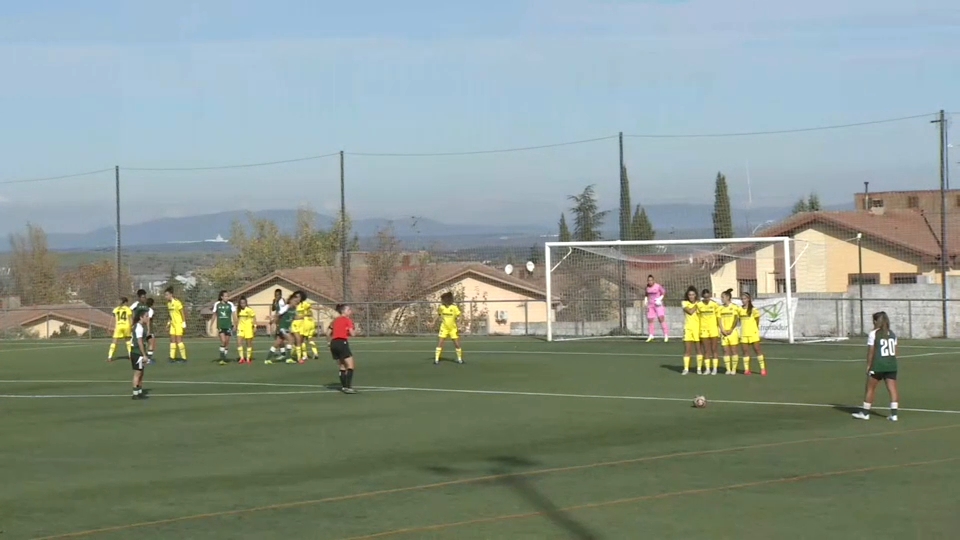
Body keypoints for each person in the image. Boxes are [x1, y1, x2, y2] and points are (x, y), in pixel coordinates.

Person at [852, 311, 899, 422]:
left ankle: (865, 413)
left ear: (875, 321)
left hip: (878, 365)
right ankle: (894, 414)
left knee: (870, 388)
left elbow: (871, 351)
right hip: (891, 365)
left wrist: (868, 366)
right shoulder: (892, 334)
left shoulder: (874, 333)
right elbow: (895, 352)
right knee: (892, 389)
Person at [328, 303, 357, 394]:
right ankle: (348, 387)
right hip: (342, 343)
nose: (350, 312)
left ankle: (344, 387)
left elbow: (328, 333)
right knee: (350, 366)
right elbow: (352, 334)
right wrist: (355, 330)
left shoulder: (334, 321)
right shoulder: (347, 320)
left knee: (342, 366)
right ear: (343, 311)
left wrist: (329, 342)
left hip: (334, 343)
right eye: (349, 310)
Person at [738, 293, 765, 376]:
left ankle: (763, 369)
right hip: (744, 333)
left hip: (753, 333)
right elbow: (739, 320)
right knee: (745, 351)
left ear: (748, 299)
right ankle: (747, 370)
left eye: (745, 299)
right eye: (742, 299)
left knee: (757, 350)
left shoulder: (754, 310)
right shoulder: (739, 309)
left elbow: (757, 320)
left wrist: (755, 329)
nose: (743, 300)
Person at [266, 293, 298, 364]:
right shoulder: (286, 307)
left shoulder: (294, 309)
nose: (296, 303)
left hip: (286, 328)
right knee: (291, 339)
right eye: (295, 301)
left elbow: (295, 317)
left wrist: (304, 316)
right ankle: (288, 358)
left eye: (297, 302)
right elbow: (278, 314)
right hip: (282, 327)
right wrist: (273, 321)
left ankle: (267, 359)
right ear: (290, 300)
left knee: (277, 343)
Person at [434, 291, 463, 365]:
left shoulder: (454, 307)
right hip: (444, 328)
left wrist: (459, 323)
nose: (442, 301)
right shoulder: (441, 307)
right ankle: (436, 359)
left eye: (443, 299)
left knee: (457, 344)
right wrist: (432, 322)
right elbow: (438, 315)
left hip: (453, 328)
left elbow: (460, 316)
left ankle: (459, 359)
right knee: (440, 343)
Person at [697, 289, 721, 375]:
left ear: (710, 296)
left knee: (714, 349)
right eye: (705, 297)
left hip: (713, 329)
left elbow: (718, 317)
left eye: (708, 297)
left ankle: (714, 369)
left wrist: (720, 328)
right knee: (706, 350)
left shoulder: (714, 305)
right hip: (703, 329)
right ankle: (707, 369)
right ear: (703, 297)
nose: (707, 299)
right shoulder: (699, 305)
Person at [718, 289, 741, 375]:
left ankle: (734, 369)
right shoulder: (720, 308)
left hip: (733, 332)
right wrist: (722, 329)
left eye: (723, 297)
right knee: (725, 351)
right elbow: (719, 319)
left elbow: (736, 319)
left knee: (734, 350)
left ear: (728, 297)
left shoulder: (735, 307)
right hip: (723, 332)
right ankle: (728, 369)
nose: (721, 299)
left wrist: (731, 329)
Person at [680, 286, 702, 375]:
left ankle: (699, 369)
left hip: (698, 328)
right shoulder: (684, 303)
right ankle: (686, 369)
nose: (691, 296)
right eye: (689, 295)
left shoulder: (700, 304)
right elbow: (690, 311)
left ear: (696, 295)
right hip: (688, 329)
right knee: (687, 350)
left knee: (699, 350)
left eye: (693, 295)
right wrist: (698, 304)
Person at [213, 290, 237, 365]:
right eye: (225, 296)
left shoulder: (230, 304)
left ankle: (224, 357)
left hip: (228, 325)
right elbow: (214, 314)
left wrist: (235, 325)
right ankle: (222, 358)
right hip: (221, 325)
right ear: (222, 297)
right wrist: (211, 325)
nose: (227, 297)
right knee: (223, 341)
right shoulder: (217, 304)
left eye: (227, 296)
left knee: (227, 342)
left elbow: (234, 315)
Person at [130, 309, 150, 400]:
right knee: (137, 373)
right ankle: (135, 394)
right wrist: (144, 355)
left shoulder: (140, 326)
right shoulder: (139, 327)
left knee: (141, 372)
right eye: (146, 316)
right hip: (137, 353)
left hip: (138, 353)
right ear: (141, 317)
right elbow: (139, 342)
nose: (148, 318)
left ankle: (139, 392)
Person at [165, 286, 188, 363]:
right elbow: (170, 315)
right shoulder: (168, 304)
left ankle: (184, 358)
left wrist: (184, 323)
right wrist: (168, 323)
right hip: (173, 324)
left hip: (178, 323)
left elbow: (182, 313)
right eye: (165, 295)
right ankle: (172, 357)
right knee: (172, 340)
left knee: (179, 341)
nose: (166, 297)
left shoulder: (177, 302)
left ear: (171, 294)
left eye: (167, 295)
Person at [644, 275, 669, 343]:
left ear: (653, 280)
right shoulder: (647, 287)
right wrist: (645, 300)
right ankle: (651, 335)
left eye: (651, 280)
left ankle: (666, 335)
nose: (650, 281)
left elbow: (663, 292)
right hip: (650, 305)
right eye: (649, 280)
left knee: (661, 318)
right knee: (650, 319)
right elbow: (646, 294)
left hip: (658, 305)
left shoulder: (658, 286)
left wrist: (659, 299)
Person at [108, 297, 133, 362]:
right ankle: (131, 356)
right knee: (128, 341)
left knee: (114, 342)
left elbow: (113, 318)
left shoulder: (116, 309)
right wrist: (132, 326)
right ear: (125, 302)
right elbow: (130, 319)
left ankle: (110, 357)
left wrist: (111, 327)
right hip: (126, 326)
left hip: (118, 326)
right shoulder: (128, 309)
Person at [297, 292, 319, 361]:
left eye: (298, 297)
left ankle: (305, 355)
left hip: (305, 323)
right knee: (310, 339)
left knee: (302, 340)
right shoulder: (305, 304)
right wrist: (320, 308)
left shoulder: (301, 304)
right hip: (311, 322)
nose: (296, 298)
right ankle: (315, 353)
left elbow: (311, 307)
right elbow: (313, 308)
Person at [236, 296, 257, 364]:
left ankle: (248, 358)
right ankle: (242, 358)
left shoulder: (249, 310)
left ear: (246, 303)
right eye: (241, 303)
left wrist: (255, 326)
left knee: (248, 343)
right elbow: (238, 318)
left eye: (244, 303)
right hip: (241, 328)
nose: (242, 304)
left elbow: (254, 318)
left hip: (248, 327)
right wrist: (236, 326)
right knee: (239, 342)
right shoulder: (238, 310)